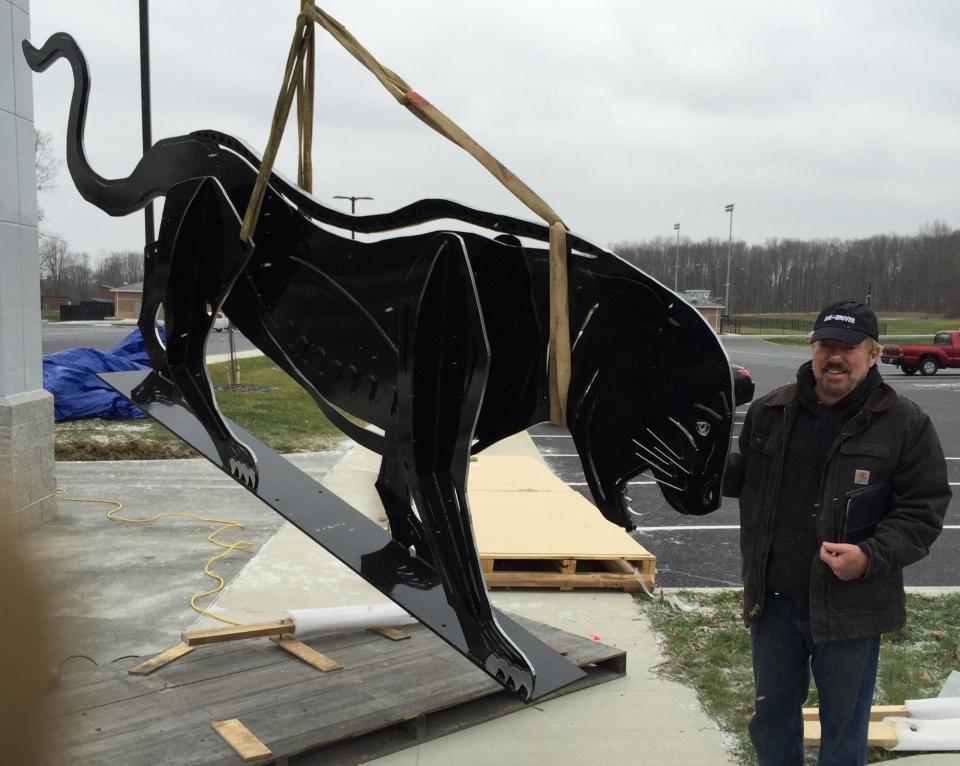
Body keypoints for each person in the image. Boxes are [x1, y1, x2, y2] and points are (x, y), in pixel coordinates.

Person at [723, 299, 950, 765]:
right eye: (826, 345)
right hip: (775, 602)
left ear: (872, 354)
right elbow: (740, 479)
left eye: (849, 347)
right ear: (813, 350)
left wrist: (870, 556)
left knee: (844, 729)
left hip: (852, 609)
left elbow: (924, 510)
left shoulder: (906, 424)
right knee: (771, 721)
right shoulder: (771, 411)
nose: (836, 357)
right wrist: (688, 463)